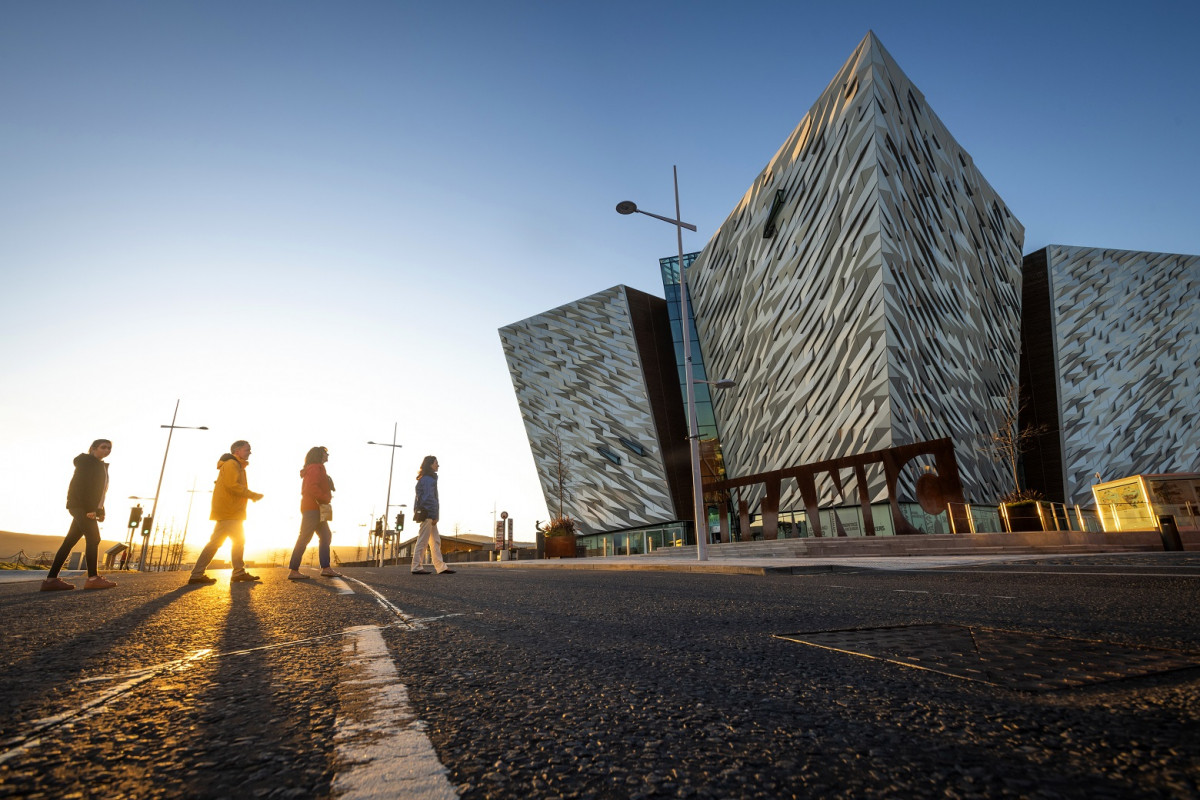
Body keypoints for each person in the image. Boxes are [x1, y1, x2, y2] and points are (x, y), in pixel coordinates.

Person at [42, 439, 117, 591]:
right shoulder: (87, 463)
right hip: (80, 506)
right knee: (94, 538)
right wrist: (90, 509)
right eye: (103, 447)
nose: (107, 450)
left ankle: (51, 581)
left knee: (69, 541)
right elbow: (82, 487)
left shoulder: (100, 465)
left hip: (85, 507)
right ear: (93, 448)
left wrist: (100, 511)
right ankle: (93, 578)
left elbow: (100, 492)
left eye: (109, 448)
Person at [189, 440, 264, 584]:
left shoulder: (235, 465)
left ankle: (198, 574)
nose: (250, 452)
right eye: (247, 449)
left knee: (220, 542)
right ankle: (237, 572)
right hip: (230, 510)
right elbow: (232, 486)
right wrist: (252, 495)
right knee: (235, 541)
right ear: (237, 451)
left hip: (229, 510)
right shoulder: (232, 464)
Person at [287, 446, 342, 580]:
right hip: (313, 507)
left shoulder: (316, 468)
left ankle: (326, 568)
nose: (328, 455)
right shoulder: (315, 468)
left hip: (316, 507)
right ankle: (293, 570)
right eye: (325, 453)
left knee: (325, 535)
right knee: (304, 537)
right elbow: (312, 487)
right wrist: (325, 497)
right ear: (319, 455)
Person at [411, 455, 454, 575]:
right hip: (428, 514)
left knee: (435, 541)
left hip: (428, 513)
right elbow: (429, 498)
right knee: (423, 541)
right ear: (430, 464)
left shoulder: (426, 478)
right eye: (436, 463)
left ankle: (440, 566)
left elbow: (419, 498)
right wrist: (434, 515)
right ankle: (416, 567)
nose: (438, 465)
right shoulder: (428, 479)